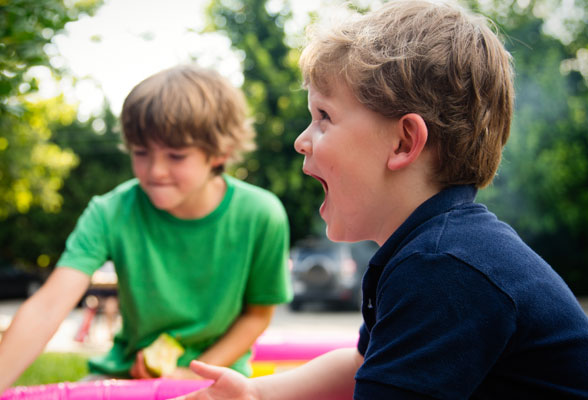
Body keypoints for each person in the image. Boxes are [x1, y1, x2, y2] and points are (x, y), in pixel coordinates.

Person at [172, 1, 588, 399]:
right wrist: (258, 392)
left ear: (404, 141)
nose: (301, 141)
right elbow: (362, 364)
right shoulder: (432, 249)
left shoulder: (444, 267)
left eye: (324, 117)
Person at [0, 65, 293, 399]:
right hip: (125, 378)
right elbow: (48, 307)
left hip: (219, 381)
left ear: (219, 153)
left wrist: (187, 375)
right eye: (141, 152)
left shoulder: (261, 214)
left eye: (176, 155)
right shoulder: (110, 211)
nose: (155, 171)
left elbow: (257, 315)